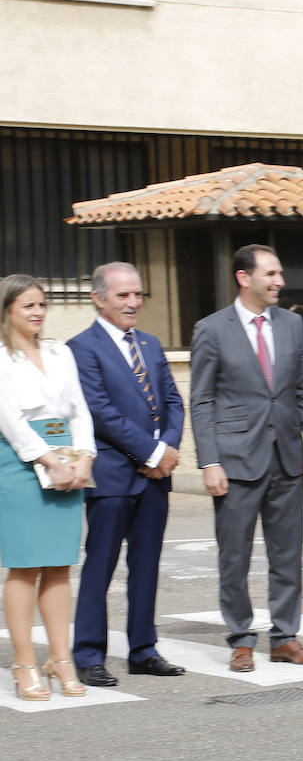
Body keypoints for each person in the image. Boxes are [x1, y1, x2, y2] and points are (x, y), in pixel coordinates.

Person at [190, 244, 303, 672]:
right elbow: (201, 400)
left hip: (287, 456)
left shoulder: (292, 324)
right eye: (271, 273)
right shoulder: (212, 329)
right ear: (244, 278)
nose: (279, 281)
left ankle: (285, 637)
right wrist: (209, 461)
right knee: (234, 557)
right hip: (235, 461)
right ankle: (241, 638)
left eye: (280, 273)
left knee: (288, 555)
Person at [67, 262, 187, 687]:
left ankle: (143, 650)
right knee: (100, 566)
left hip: (154, 477)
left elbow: (173, 401)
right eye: (123, 295)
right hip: (112, 476)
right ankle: (88, 654)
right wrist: (152, 451)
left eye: (138, 294)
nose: (133, 302)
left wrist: (165, 451)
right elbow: (99, 411)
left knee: (147, 566)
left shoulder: (150, 344)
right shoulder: (81, 348)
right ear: (98, 299)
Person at [0, 275, 95, 700]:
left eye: (41, 304)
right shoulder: (2, 359)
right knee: (24, 566)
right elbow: (12, 422)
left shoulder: (61, 352)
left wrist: (85, 457)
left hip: (68, 459)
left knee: (58, 565)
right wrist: (50, 461)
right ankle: (24, 663)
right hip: (21, 464)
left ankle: (60, 659)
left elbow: (79, 411)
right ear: (7, 311)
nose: (38, 312)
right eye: (28, 305)